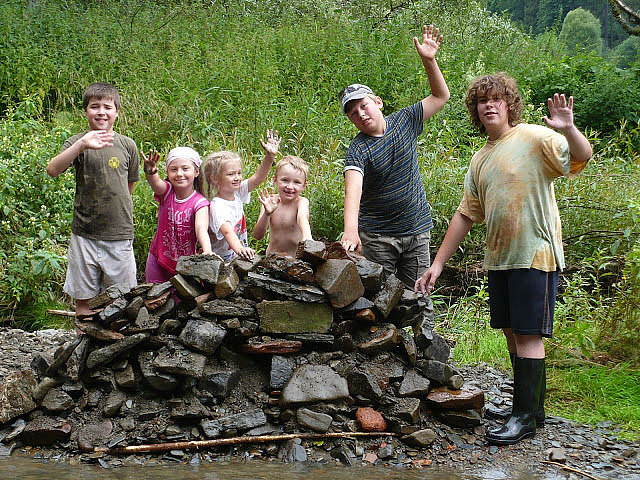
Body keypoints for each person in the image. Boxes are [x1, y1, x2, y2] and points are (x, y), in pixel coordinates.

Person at [415, 73, 593, 445]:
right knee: (512, 334)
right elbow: (466, 214)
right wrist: (438, 263)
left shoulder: (534, 137)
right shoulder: (480, 159)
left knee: (528, 335)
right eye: (482, 101)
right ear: (475, 110)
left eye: (496, 99)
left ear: (510, 105)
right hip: (499, 258)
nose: (489, 105)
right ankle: (529, 408)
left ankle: (525, 418)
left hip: (535, 253)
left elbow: (580, 157)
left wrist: (569, 128)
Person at [339, 24, 450, 288]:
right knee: (381, 298)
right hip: (377, 236)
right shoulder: (358, 148)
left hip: (415, 229)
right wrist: (351, 230)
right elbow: (352, 190)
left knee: (419, 295)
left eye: (363, 106)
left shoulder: (406, 120)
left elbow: (440, 96)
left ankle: (425, 333)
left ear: (377, 102)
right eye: (353, 113)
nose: (361, 114)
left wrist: (429, 61)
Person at [46, 82, 139, 317]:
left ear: (116, 112)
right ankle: (83, 348)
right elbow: (53, 169)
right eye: (94, 106)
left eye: (107, 107)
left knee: (121, 298)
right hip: (84, 234)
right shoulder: (78, 142)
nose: (101, 112)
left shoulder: (127, 145)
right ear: (85, 111)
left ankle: (113, 350)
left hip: (119, 234)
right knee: (84, 298)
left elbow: (129, 186)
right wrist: (82, 144)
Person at [204, 130, 281, 262]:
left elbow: (258, 178)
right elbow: (227, 231)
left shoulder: (237, 192)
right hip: (222, 261)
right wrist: (240, 249)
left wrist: (270, 157)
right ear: (215, 179)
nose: (237, 178)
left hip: (237, 256)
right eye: (231, 174)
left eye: (239, 173)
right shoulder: (217, 206)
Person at [141, 147, 212, 283]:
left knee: (181, 300)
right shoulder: (166, 192)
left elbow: (200, 229)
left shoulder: (200, 203)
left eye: (185, 169)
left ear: (196, 171)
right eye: (174, 169)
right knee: (154, 296)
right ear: (167, 172)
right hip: (158, 257)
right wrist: (150, 172)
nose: (179, 174)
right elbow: (156, 184)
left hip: (185, 263)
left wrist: (207, 251)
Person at [252, 155, 312, 257]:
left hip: (295, 263)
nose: (290, 186)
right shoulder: (270, 202)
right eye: (285, 180)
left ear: (304, 185)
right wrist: (267, 214)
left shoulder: (301, 202)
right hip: (272, 260)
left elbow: (302, 218)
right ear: (275, 180)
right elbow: (257, 236)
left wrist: (308, 238)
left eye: (296, 182)